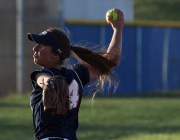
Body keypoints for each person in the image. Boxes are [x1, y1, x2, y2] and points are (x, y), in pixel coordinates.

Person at [28, 9, 124, 140]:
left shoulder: (44, 74)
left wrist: (49, 82)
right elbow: (111, 60)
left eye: (41, 45)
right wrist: (118, 30)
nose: (35, 48)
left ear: (56, 54)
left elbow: (43, 79)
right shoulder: (77, 74)